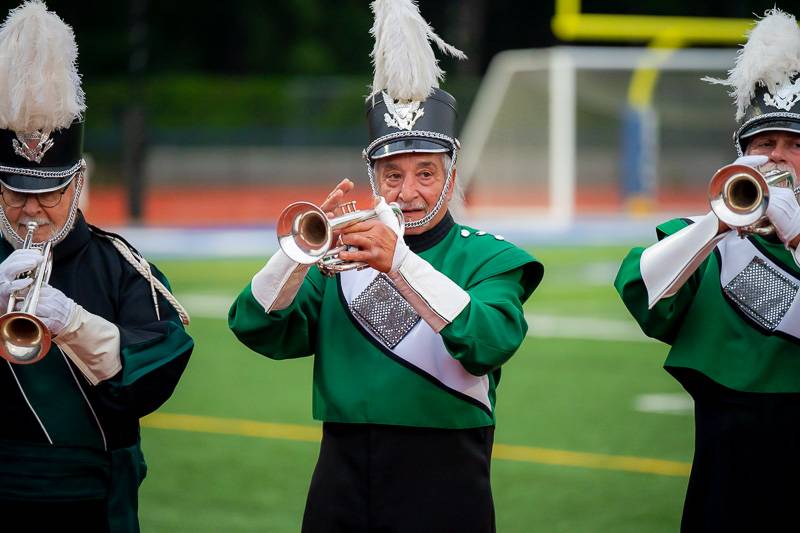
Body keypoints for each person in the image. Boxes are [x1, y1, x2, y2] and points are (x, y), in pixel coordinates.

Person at [229, 1, 543, 531]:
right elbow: (256, 326)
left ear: (452, 171)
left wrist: (397, 263)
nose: (410, 192)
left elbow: (489, 342)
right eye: (392, 174)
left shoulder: (490, 257)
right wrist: (297, 255)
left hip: (447, 472)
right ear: (371, 176)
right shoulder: (339, 254)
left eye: (426, 172)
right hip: (341, 470)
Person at [0, 2, 193, 531]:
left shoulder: (121, 266)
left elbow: (159, 371)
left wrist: (76, 325)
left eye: (50, 192)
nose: (32, 209)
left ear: (78, 183)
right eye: (16, 194)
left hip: (92, 500)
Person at [615, 9, 800, 532]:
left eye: (795, 145)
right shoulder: (704, 237)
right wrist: (718, 223)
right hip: (728, 466)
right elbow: (643, 294)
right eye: (764, 145)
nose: (779, 159)